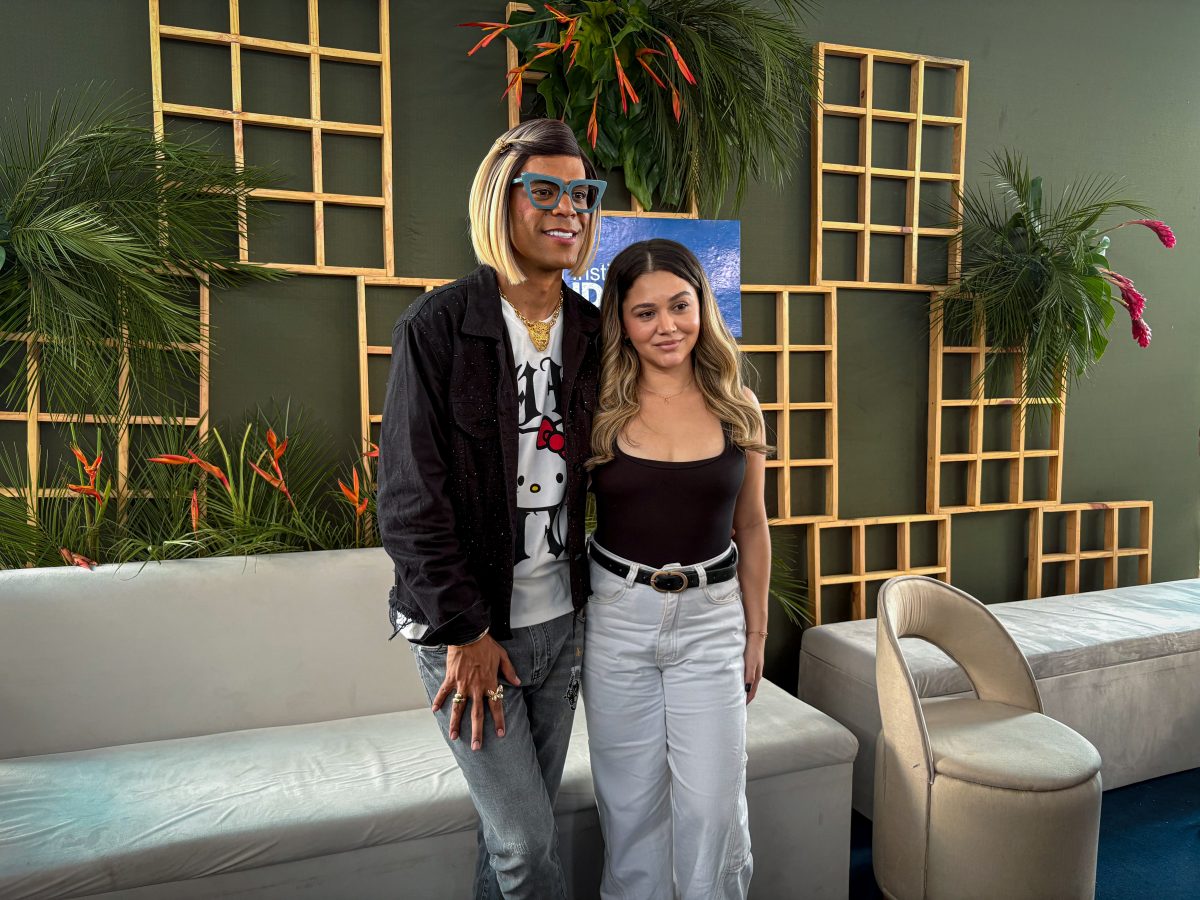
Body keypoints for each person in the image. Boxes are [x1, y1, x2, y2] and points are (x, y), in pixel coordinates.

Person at [377, 118, 606, 899]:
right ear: (500, 200)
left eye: (581, 193)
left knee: (507, 839)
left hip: (562, 628)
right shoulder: (438, 327)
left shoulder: (594, 333)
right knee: (526, 844)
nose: (567, 208)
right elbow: (409, 501)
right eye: (544, 190)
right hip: (471, 632)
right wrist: (464, 633)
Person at [584, 238, 771, 899]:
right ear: (621, 321)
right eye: (645, 313)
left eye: (680, 306)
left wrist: (756, 633)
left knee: (715, 809)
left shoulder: (738, 403)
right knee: (631, 812)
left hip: (712, 621)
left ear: (702, 306)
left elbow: (752, 525)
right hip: (617, 617)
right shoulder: (595, 406)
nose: (666, 326)